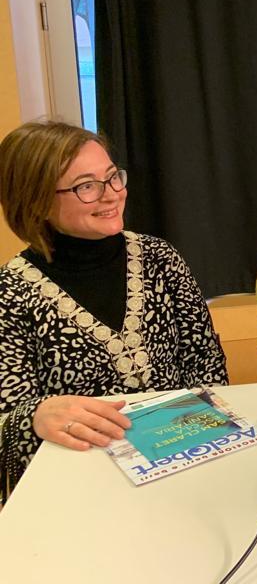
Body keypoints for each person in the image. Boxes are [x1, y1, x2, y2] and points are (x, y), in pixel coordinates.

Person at [0, 122, 228, 505]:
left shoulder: (160, 258)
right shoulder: (10, 293)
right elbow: (7, 420)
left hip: (185, 466)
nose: (112, 194)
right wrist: (36, 415)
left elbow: (206, 364)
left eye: (112, 177)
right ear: (36, 200)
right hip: (81, 491)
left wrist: (208, 447)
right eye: (86, 186)